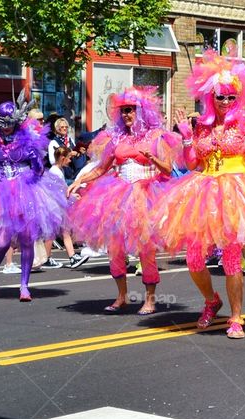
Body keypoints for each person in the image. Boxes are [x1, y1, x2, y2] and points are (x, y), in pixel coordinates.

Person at [154, 51, 245, 339]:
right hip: (202, 192)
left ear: (238, 98)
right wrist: (185, 136)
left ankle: (236, 317)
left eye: (231, 97)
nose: (225, 102)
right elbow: (193, 163)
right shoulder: (203, 126)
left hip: (237, 193)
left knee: (231, 258)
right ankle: (211, 301)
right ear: (211, 98)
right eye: (220, 97)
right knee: (194, 259)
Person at [67, 87, 178, 314]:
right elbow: (101, 168)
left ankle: (150, 299)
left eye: (131, 110)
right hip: (118, 196)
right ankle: (121, 297)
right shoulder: (116, 138)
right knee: (115, 247)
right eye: (124, 111)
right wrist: (80, 181)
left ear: (142, 111)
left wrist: (153, 158)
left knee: (146, 249)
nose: (127, 114)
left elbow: (167, 170)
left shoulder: (157, 136)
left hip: (147, 195)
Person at [0, 101, 67, 301]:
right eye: (3, 122)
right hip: (1, 194)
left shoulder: (28, 141)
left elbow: (38, 168)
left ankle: (24, 285)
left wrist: (30, 173)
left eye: (10, 122)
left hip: (26, 193)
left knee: (27, 239)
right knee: (1, 241)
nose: (6, 126)